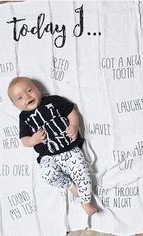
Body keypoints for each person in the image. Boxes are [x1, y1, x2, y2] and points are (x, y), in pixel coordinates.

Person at [8, 77, 98, 215]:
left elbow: (71, 112)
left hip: (69, 149)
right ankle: (70, 186)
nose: (27, 96)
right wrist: (34, 139)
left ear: (37, 89)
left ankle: (86, 202)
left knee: (83, 174)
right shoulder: (24, 118)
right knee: (48, 175)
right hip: (48, 156)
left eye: (29, 90)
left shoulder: (53, 101)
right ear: (16, 105)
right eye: (20, 98)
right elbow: (24, 140)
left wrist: (74, 125)